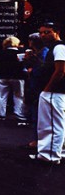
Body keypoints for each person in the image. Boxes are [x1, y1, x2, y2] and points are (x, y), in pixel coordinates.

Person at [30, 22, 65, 164]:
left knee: (50, 124)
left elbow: (60, 70)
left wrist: (47, 88)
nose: (43, 35)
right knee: (57, 123)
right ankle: (58, 152)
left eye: (47, 32)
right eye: (41, 33)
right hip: (56, 92)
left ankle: (49, 155)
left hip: (54, 92)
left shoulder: (59, 47)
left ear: (56, 32)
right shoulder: (56, 47)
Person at [0, 36, 27, 125]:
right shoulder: (20, 53)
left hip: (2, 76)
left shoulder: (0, 53)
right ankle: (18, 113)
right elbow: (23, 65)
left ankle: (2, 114)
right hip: (17, 77)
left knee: (2, 96)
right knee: (18, 95)